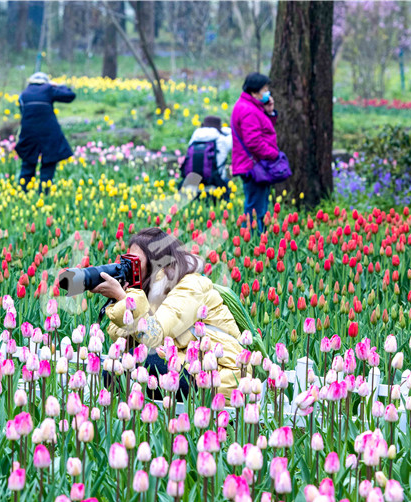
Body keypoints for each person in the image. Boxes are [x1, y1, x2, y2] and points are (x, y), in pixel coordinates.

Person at [92, 227, 242, 399]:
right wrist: (123, 300)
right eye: (126, 260)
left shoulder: (190, 286)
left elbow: (154, 335)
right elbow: (129, 342)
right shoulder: (153, 289)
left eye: (135, 262)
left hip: (218, 378)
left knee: (133, 365)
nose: (128, 267)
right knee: (117, 368)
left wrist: (122, 297)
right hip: (188, 366)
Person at [231, 72, 279, 233]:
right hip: (252, 166)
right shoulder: (248, 110)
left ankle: (257, 241)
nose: (267, 93)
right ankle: (252, 243)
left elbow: (263, 131)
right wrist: (274, 154)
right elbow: (253, 142)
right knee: (255, 209)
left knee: (259, 207)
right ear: (255, 91)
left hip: (253, 164)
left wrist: (269, 112)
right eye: (265, 89)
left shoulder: (251, 106)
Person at [14, 72, 76, 193]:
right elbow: (70, 95)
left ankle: (22, 194)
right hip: (49, 132)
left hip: (28, 132)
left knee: (28, 163)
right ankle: (44, 194)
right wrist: (57, 86)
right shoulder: (48, 89)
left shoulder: (24, 94)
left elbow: (23, 112)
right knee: (48, 163)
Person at [184, 115, 232, 197]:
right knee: (229, 184)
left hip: (192, 181)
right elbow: (233, 134)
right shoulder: (222, 140)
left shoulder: (194, 137)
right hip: (216, 182)